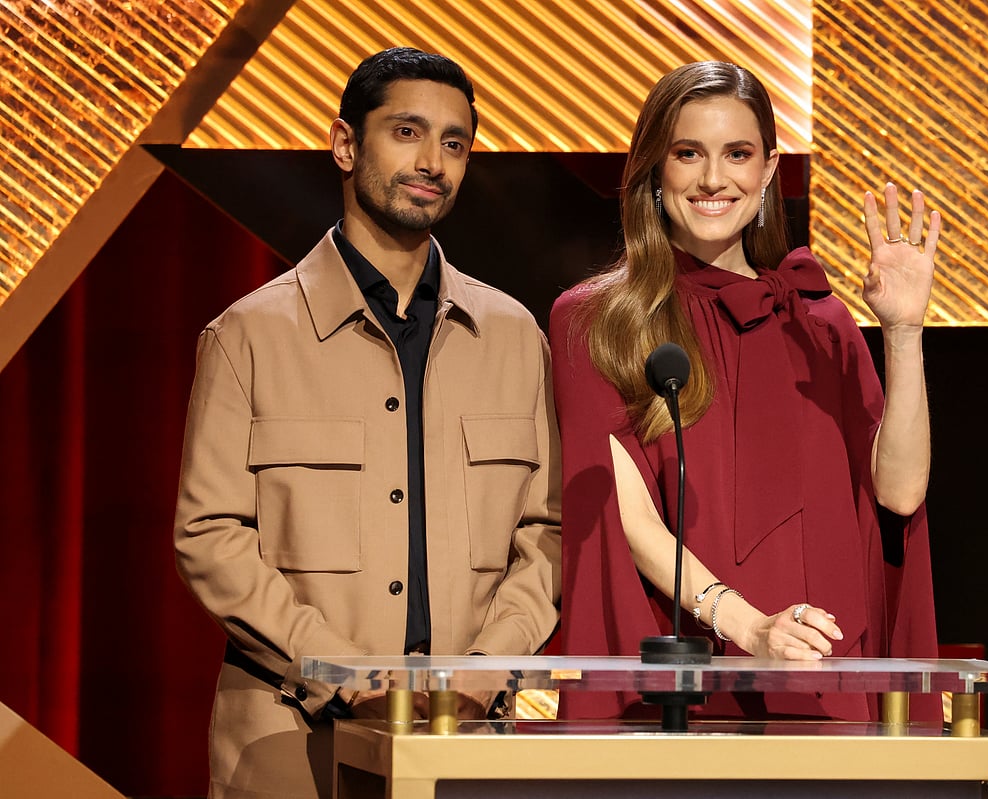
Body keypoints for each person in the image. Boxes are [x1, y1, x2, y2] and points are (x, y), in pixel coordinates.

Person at [174, 47, 561, 799]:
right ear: (345, 144)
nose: (434, 161)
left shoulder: (517, 337)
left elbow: (546, 534)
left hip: (467, 739)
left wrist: (485, 669)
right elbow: (209, 536)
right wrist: (341, 671)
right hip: (289, 738)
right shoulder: (247, 336)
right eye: (408, 132)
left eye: (454, 142)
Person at [549, 61, 941, 723]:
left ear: (767, 170)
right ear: (654, 168)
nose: (712, 179)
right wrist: (751, 628)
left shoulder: (823, 323)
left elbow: (899, 492)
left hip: (826, 680)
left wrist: (902, 330)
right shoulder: (596, 320)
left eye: (737, 154)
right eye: (687, 154)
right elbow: (630, 520)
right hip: (681, 689)